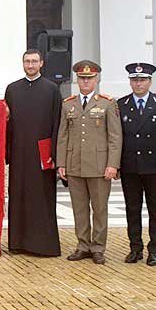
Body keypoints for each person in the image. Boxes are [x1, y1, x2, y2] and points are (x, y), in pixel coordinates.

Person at [57, 61, 121, 265]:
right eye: (82, 78)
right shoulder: (68, 103)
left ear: (97, 79)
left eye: (90, 78)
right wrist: (61, 163)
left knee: (100, 208)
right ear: (77, 79)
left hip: (99, 165)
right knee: (79, 208)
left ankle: (98, 247)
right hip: (75, 164)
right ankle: (82, 245)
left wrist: (113, 164)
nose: (85, 81)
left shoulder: (107, 103)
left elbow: (115, 137)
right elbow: (62, 136)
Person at [118, 62, 156, 266]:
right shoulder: (121, 104)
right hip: (130, 166)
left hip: (154, 165)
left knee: (155, 208)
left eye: (142, 80)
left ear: (150, 81)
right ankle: (135, 248)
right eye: (134, 80)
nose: (138, 84)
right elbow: (117, 139)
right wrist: (116, 165)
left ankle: (154, 249)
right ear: (130, 82)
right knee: (132, 208)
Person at [4, 50, 63, 257]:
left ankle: (43, 245)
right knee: (18, 195)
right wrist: (7, 153)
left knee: (42, 198)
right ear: (22, 64)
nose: (30, 65)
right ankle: (18, 243)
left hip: (42, 153)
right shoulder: (12, 89)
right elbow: (7, 124)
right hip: (19, 153)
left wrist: (55, 154)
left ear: (41, 63)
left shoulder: (52, 89)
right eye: (27, 61)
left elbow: (58, 123)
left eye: (34, 61)